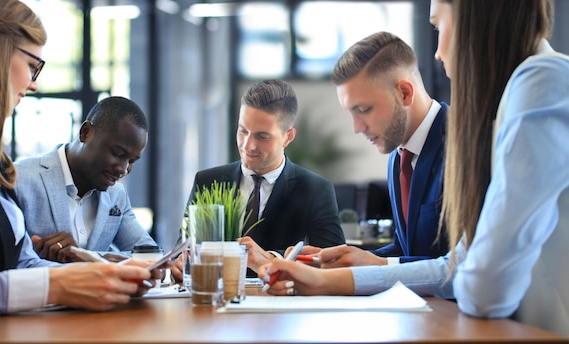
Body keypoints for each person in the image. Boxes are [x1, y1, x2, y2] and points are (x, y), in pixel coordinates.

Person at [258, 0, 569, 337]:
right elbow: (454, 261)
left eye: (438, 25)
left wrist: (341, 278)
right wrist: (355, 262)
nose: (437, 52)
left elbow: (474, 278)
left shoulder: (536, 85)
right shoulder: (400, 159)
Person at [0, 0, 164, 319]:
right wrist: (54, 284)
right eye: (33, 65)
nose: (34, 83)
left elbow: (21, 264)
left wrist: (97, 273)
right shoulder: (13, 175)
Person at [299, 31, 449, 268]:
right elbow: (406, 249)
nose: (357, 127)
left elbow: (463, 262)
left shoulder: (462, 146)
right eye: (351, 112)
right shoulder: (397, 157)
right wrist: (345, 260)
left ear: (404, 93)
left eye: (365, 109)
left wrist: (375, 265)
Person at [171, 79, 345, 280]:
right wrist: (180, 263)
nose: (248, 145)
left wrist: (271, 260)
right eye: (243, 130)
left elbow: (333, 264)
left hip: (280, 305)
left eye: (262, 136)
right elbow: (182, 249)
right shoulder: (207, 181)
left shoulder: (316, 189)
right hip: (214, 303)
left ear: (288, 137)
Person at [14, 96, 157, 263]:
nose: (123, 169)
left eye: (132, 161)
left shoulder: (116, 195)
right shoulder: (19, 179)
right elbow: (10, 263)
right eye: (118, 154)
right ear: (85, 133)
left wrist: (89, 258)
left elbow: (152, 258)